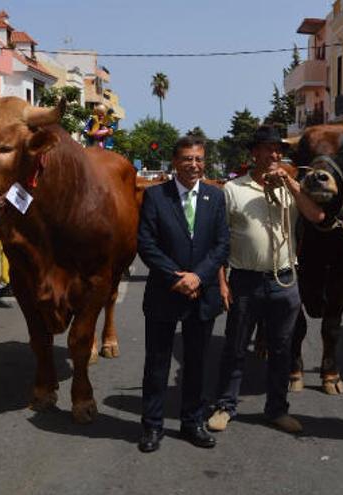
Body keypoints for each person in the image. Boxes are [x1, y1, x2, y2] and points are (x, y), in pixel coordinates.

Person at [207, 125, 324, 434]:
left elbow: (316, 216)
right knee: (235, 346)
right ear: (254, 153)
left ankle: (277, 410)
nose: (274, 154)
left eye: (278, 149)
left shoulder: (291, 186)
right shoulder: (233, 190)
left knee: (283, 349)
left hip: (284, 281)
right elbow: (219, 241)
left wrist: (292, 185)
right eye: (267, 149)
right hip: (245, 281)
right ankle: (225, 406)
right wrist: (221, 281)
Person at [135, 135, 230, 453]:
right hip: (165, 291)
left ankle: (193, 422)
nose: (194, 165)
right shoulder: (155, 197)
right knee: (157, 363)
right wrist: (175, 277)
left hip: (201, 293)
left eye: (199, 159)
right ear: (175, 162)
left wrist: (199, 277)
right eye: (188, 159)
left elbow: (221, 245)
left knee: (197, 362)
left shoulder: (216, 198)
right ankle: (152, 426)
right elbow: (146, 243)